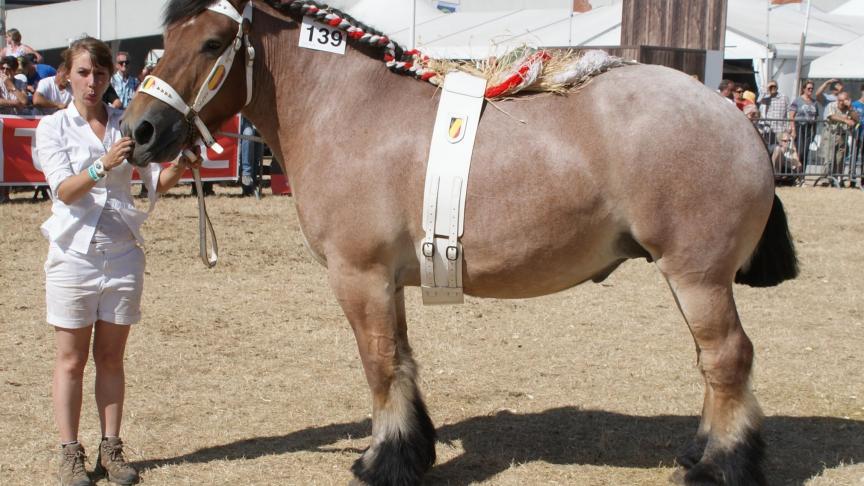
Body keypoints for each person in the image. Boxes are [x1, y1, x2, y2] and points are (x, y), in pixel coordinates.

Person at [35, 37, 201, 486]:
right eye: (84, 73)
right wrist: (101, 166)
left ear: (111, 78)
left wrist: (183, 163)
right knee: (71, 361)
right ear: (66, 75)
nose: (92, 82)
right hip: (73, 256)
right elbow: (63, 191)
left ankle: (112, 448)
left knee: (111, 357)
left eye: (100, 74)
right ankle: (70, 453)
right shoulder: (52, 128)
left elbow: (156, 181)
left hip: (123, 254)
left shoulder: (126, 123)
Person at [821, 91, 859, 180]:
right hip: (831, 134)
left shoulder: (849, 108)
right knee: (828, 158)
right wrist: (845, 120)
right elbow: (831, 116)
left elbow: (856, 118)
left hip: (843, 135)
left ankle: (837, 179)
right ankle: (825, 179)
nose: (841, 102)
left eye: (843, 100)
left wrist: (850, 107)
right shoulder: (832, 105)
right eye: (839, 100)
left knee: (840, 159)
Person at [789, 80, 819, 171]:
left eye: (812, 88)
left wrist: (814, 131)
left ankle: (802, 175)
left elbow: (816, 117)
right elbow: (791, 116)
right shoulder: (797, 100)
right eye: (808, 88)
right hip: (799, 127)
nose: (810, 90)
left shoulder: (815, 102)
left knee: (805, 152)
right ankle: (796, 172)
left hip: (809, 128)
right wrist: (793, 129)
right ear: (804, 89)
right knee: (800, 151)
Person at [758, 80, 789, 147]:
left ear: (777, 87)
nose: (772, 88)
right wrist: (766, 90)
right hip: (769, 129)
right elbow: (759, 100)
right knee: (769, 149)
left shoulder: (784, 97)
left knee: (781, 149)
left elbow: (788, 111)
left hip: (780, 128)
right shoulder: (767, 98)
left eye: (774, 86)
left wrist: (788, 126)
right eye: (771, 86)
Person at [239, 116, 262, 196]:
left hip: (248, 120)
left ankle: (247, 178)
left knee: (249, 135)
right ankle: (246, 175)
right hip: (233, 120)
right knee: (248, 135)